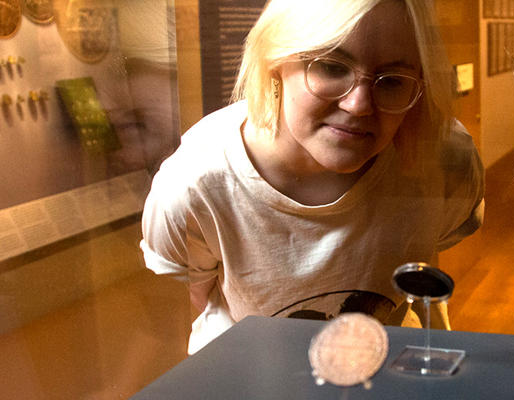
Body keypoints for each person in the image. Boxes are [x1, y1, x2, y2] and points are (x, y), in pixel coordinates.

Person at [140, 0, 484, 354]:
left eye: (392, 80)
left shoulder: (444, 158)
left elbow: (426, 256)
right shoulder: (197, 180)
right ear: (277, 62)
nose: (359, 104)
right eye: (332, 67)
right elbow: (192, 293)